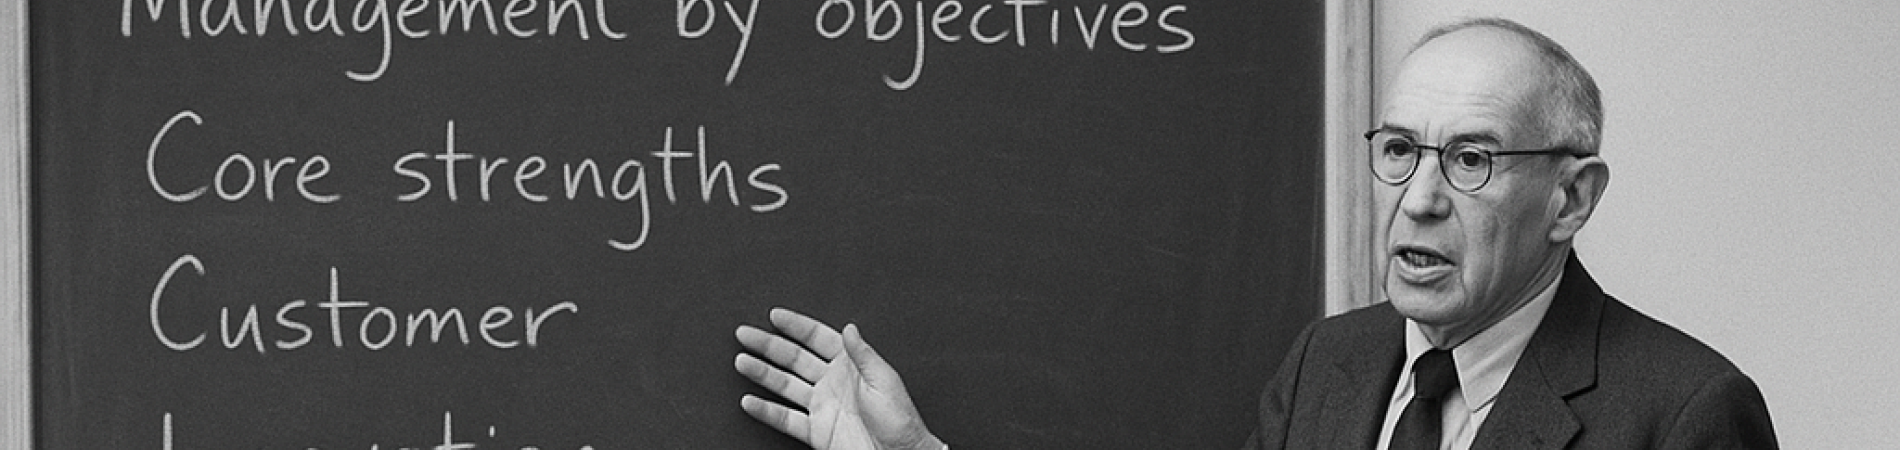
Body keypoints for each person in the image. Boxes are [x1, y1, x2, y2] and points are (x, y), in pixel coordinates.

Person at [732, 18, 1777, 449]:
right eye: (1399, 150)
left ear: (1571, 198)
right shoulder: (1332, 363)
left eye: (1470, 160)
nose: (1417, 198)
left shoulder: (1685, 414)